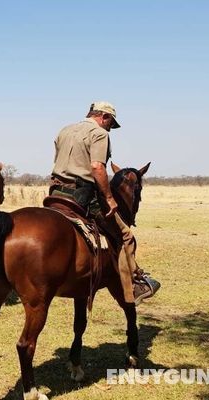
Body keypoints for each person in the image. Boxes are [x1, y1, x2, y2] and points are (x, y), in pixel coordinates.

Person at [50, 101, 160, 305]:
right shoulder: (100, 134)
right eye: (111, 123)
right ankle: (133, 288)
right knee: (125, 235)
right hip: (82, 194)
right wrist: (109, 198)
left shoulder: (64, 130)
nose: (110, 128)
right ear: (104, 117)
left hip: (55, 192)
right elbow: (97, 167)